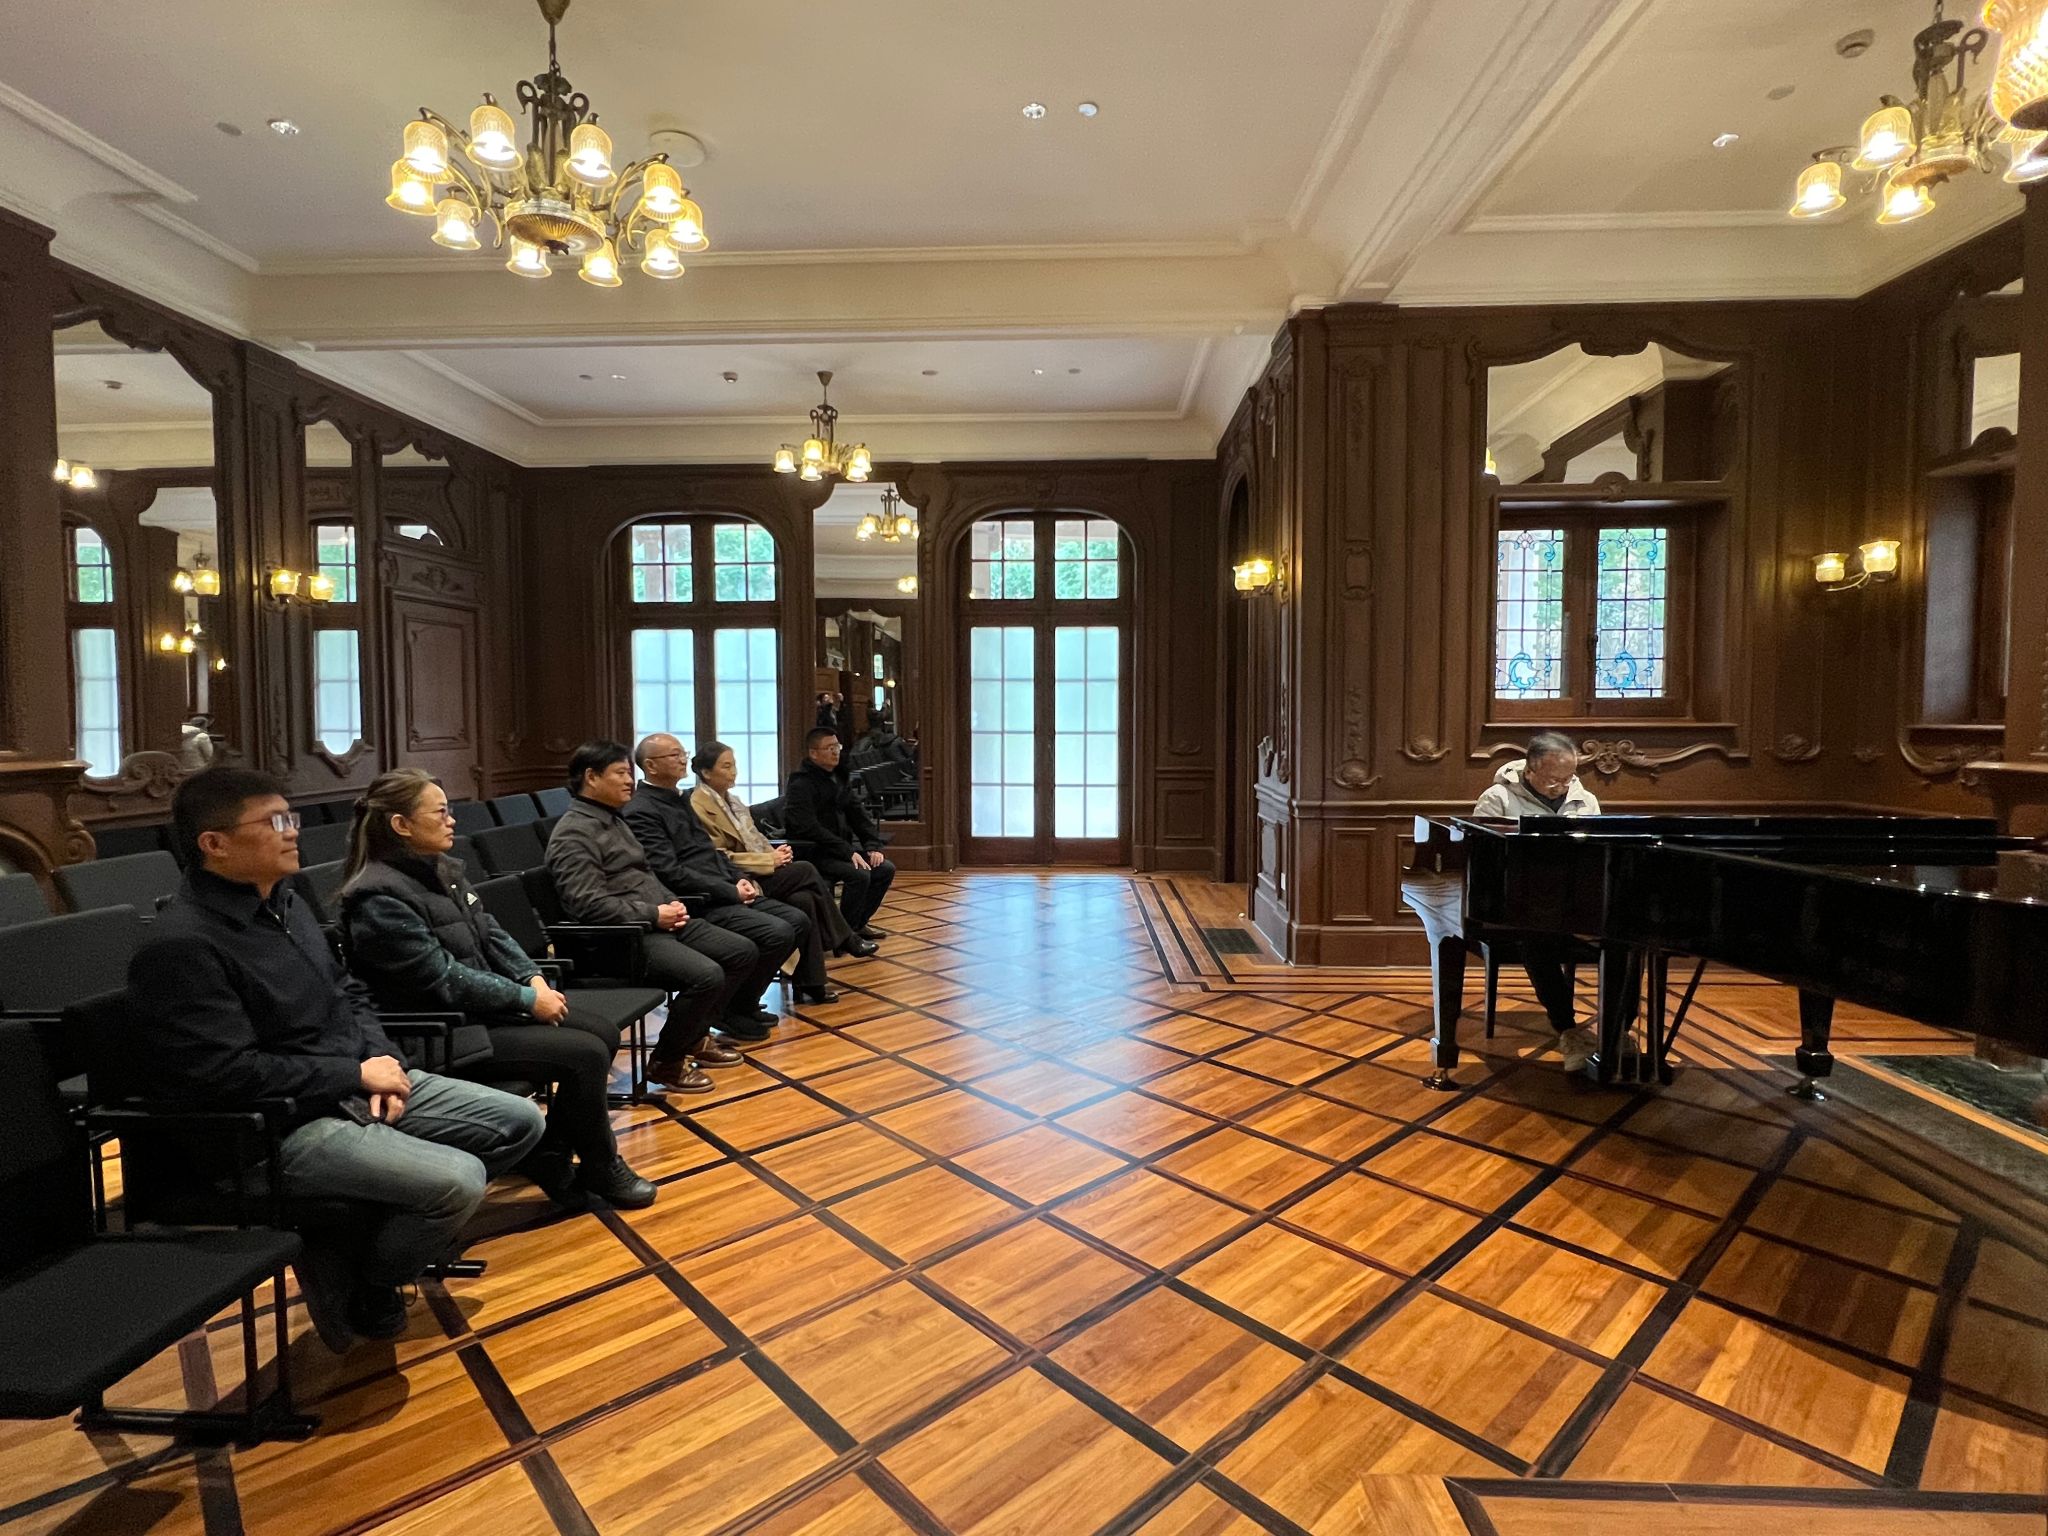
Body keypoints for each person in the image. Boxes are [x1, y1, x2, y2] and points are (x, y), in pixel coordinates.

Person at [128, 766, 544, 1353]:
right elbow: (223, 1074)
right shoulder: (182, 944)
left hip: (355, 1078)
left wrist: (382, 1059)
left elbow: (348, 992)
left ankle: (356, 1242)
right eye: (274, 822)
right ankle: (372, 1282)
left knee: (521, 1121)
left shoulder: (285, 902)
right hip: (279, 1126)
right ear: (214, 843)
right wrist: (352, 1073)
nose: (293, 831)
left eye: (291, 817)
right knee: (458, 1181)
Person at [338, 769, 655, 1211]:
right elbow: (442, 978)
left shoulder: (441, 869)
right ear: (401, 825)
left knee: (601, 1032)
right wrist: (526, 1000)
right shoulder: (378, 896)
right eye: (441, 812)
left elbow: (492, 934)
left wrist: (532, 979)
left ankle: (550, 1152)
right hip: (438, 1030)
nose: (452, 820)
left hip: (481, 1012)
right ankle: (601, 1165)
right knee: (584, 1054)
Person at [545, 740, 759, 1094]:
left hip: (656, 921)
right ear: (591, 777)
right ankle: (666, 1062)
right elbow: (587, 904)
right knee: (706, 975)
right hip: (619, 939)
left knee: (741, 951)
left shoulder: (613, 818)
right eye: (620, 773)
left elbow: (645, 875)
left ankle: (694, 1037)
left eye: (629, 772)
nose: (629, 781)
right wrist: (653, 913)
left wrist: (671, 903)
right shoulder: (574, 833)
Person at [624, 733, 818, 1007]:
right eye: (674, 755)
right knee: (778, 931)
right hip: (698, 899)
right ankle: (732, 1007)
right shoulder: (642, 810)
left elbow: (710, 850)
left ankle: (741, 1002)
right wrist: (729, 890)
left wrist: (739, 878)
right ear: (651, 766)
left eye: (683, 753)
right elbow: (669, 872)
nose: (683, 760)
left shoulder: (679, 797)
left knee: (798, 918)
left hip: (722, 884)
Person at [1475, 732, 1603, 1072]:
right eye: (1552, 780)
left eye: (1568, 778)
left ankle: (1618, 1031)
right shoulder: (1497, 799)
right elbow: (1486, 861)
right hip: (1517, 907)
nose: (1561, 786)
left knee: (1628, 940)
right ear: (1529, 771)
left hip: (1575, 903)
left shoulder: (1585, 800)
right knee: (1537, 937)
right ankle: (1567, 1029)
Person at [689, 740, 872, 972]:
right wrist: (769, 860)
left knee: (804, 900)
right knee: (805, 869)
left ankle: (811, 983)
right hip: (739, 879)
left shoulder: (733, 801)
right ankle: (846, 938)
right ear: (706, 772)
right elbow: (718, 856)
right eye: (726, 766)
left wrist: (775, 853)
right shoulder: (698, 806)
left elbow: (756, 838)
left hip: (759, 869)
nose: (733, 771)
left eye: (734, 765)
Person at [784, 727, 894, 937]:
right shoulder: (801, 783)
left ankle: (856, 925)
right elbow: (809, 828)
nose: (836, 752)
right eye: (829, 748)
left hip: (838, 850)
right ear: (813, 753)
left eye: (837, 746)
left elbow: (857, 814)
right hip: (814, 852)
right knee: (859, 875)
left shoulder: (838, 777)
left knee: (884, 869)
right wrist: (847, 851)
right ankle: (844, 934)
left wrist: (872, 845)